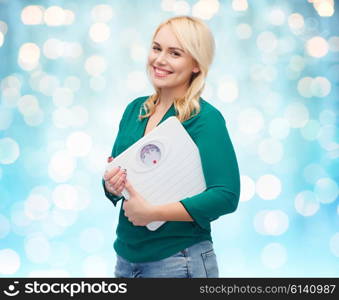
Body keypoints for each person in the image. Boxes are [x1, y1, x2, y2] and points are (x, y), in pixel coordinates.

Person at [102, 15, 240, 278]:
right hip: (125, 257)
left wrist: (153, 213)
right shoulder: (135, 110)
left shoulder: (205, 119)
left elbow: (226, 195)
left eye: (174, 53)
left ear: (196, 65)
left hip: (179, 260)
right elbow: (119, 179)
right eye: (156, 48)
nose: (160, 60)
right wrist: (111, 185)